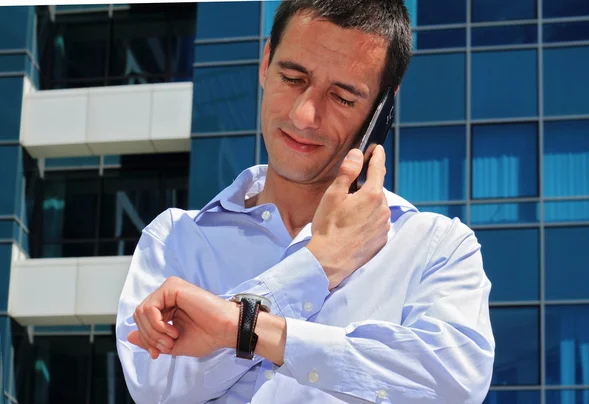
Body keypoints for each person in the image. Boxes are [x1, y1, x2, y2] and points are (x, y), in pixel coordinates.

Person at [115, 0, 495, 403]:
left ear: (381, 110)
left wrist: (243, 325)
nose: (304, 115)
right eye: (293, 78)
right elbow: (156, 389)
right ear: (266, 62)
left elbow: (453, 386)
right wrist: (316, 267)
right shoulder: (175, 237)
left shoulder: (437, 248)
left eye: (343, 98)